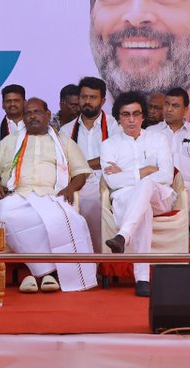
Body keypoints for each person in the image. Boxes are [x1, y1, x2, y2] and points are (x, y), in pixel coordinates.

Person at [0, 98, 96, 293]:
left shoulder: (63, 142)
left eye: (37, 112)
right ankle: (47, 274)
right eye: (28, 113)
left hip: (51, 195)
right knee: (8, 214)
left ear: (47, 114)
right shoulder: (9, 141)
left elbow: (81, 173)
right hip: (16, 195)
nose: (32, 116)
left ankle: (35, 274)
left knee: (66, 219)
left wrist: (70, 189)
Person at [101, 91, 176, 297]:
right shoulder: (109, 145)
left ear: (143, 116)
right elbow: (112, 181)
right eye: (126, 115)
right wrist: (146, 170)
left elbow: (167, 176)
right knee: (144, 209)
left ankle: (123, 236)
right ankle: (142, 279)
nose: (131, 119)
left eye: (136, 114)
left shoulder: (158, 139)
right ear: (118, 118)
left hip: (159, 196)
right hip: (125, 197)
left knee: (146, 187)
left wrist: (126, 174)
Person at [68, 76, 120, 252]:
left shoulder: (115, 127)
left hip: (106, 181)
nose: (87, 101)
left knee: (95, 202)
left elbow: (112, 159)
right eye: (83, 97)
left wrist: (81, 164)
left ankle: (98, 261)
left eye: (92, 97)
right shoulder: (66, 130)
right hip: (75, 181)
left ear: (103, 101)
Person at [158, 87, 190, 245]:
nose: (169, 109)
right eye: (167, 104)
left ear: (186, 109)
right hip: (160, 185)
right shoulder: (151, 132)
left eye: (175, 105)